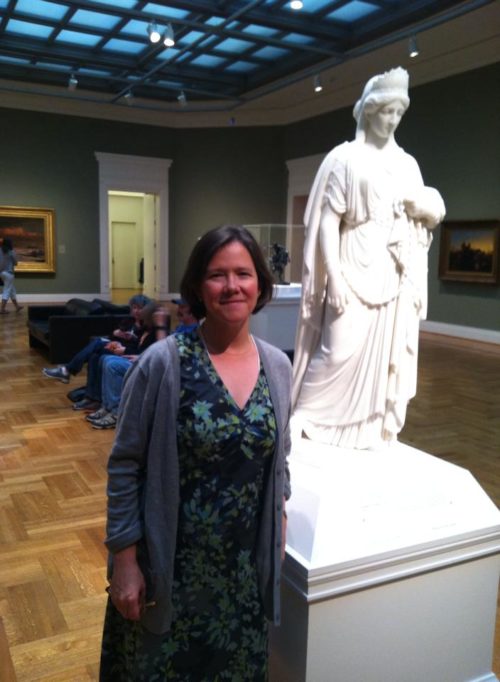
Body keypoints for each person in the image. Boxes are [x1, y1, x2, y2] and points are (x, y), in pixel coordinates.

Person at [100, 225, 292, 681]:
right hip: (170, 572)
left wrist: (280, 515)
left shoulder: (278, 367)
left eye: (243, 273)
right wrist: (124, 561)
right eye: (217, 275)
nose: (232, 286)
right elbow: (125, 466)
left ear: (260, 284)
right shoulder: (163, 363)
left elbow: (279, 456)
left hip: (242, 578)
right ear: (197, 287)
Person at [292, 67, 445, 450]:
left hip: (393, 269)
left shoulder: (407, 165)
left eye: (398, 113)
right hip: (352, 259)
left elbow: (427, 211)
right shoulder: (345, 159)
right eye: (385, 112)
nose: (391, 120)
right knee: (336, 347)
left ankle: (371, 425)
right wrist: (336, 279)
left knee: (383, 355)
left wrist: (422, 205)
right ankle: (305, 414)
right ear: (369, 112)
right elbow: (328, 223)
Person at [86, 301, 168, 429]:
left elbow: (160, 354)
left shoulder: (159, 333)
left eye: (145, 318)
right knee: (104, 359)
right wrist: (124, 344)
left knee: (112, 364)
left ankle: (116, 412)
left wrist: (140, 356)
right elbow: (137, 347)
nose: (141, 320)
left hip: (146, 366)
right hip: (137, 361)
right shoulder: (145, 329)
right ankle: (107, 406)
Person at [41, 294, 152, 385]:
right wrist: (116, 334)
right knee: (94, 354)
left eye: (140, 308)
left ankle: (67, 370)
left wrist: (126, 345)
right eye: (134, 308)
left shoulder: (147, 325)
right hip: (115, 347)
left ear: (146, 309)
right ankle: (90, 396)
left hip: (127, 353)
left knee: (98, 342)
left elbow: (141, 349)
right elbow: (112, 335)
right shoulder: (128, 320)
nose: (137, 311)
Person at [0, 238, 23, 314]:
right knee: (7, 290)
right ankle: (2, 309)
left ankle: (17, 306)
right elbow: (16, 263)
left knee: (11, 290)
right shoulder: (11, 252)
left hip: (1, 273)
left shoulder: (0, 250)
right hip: (9, 273)